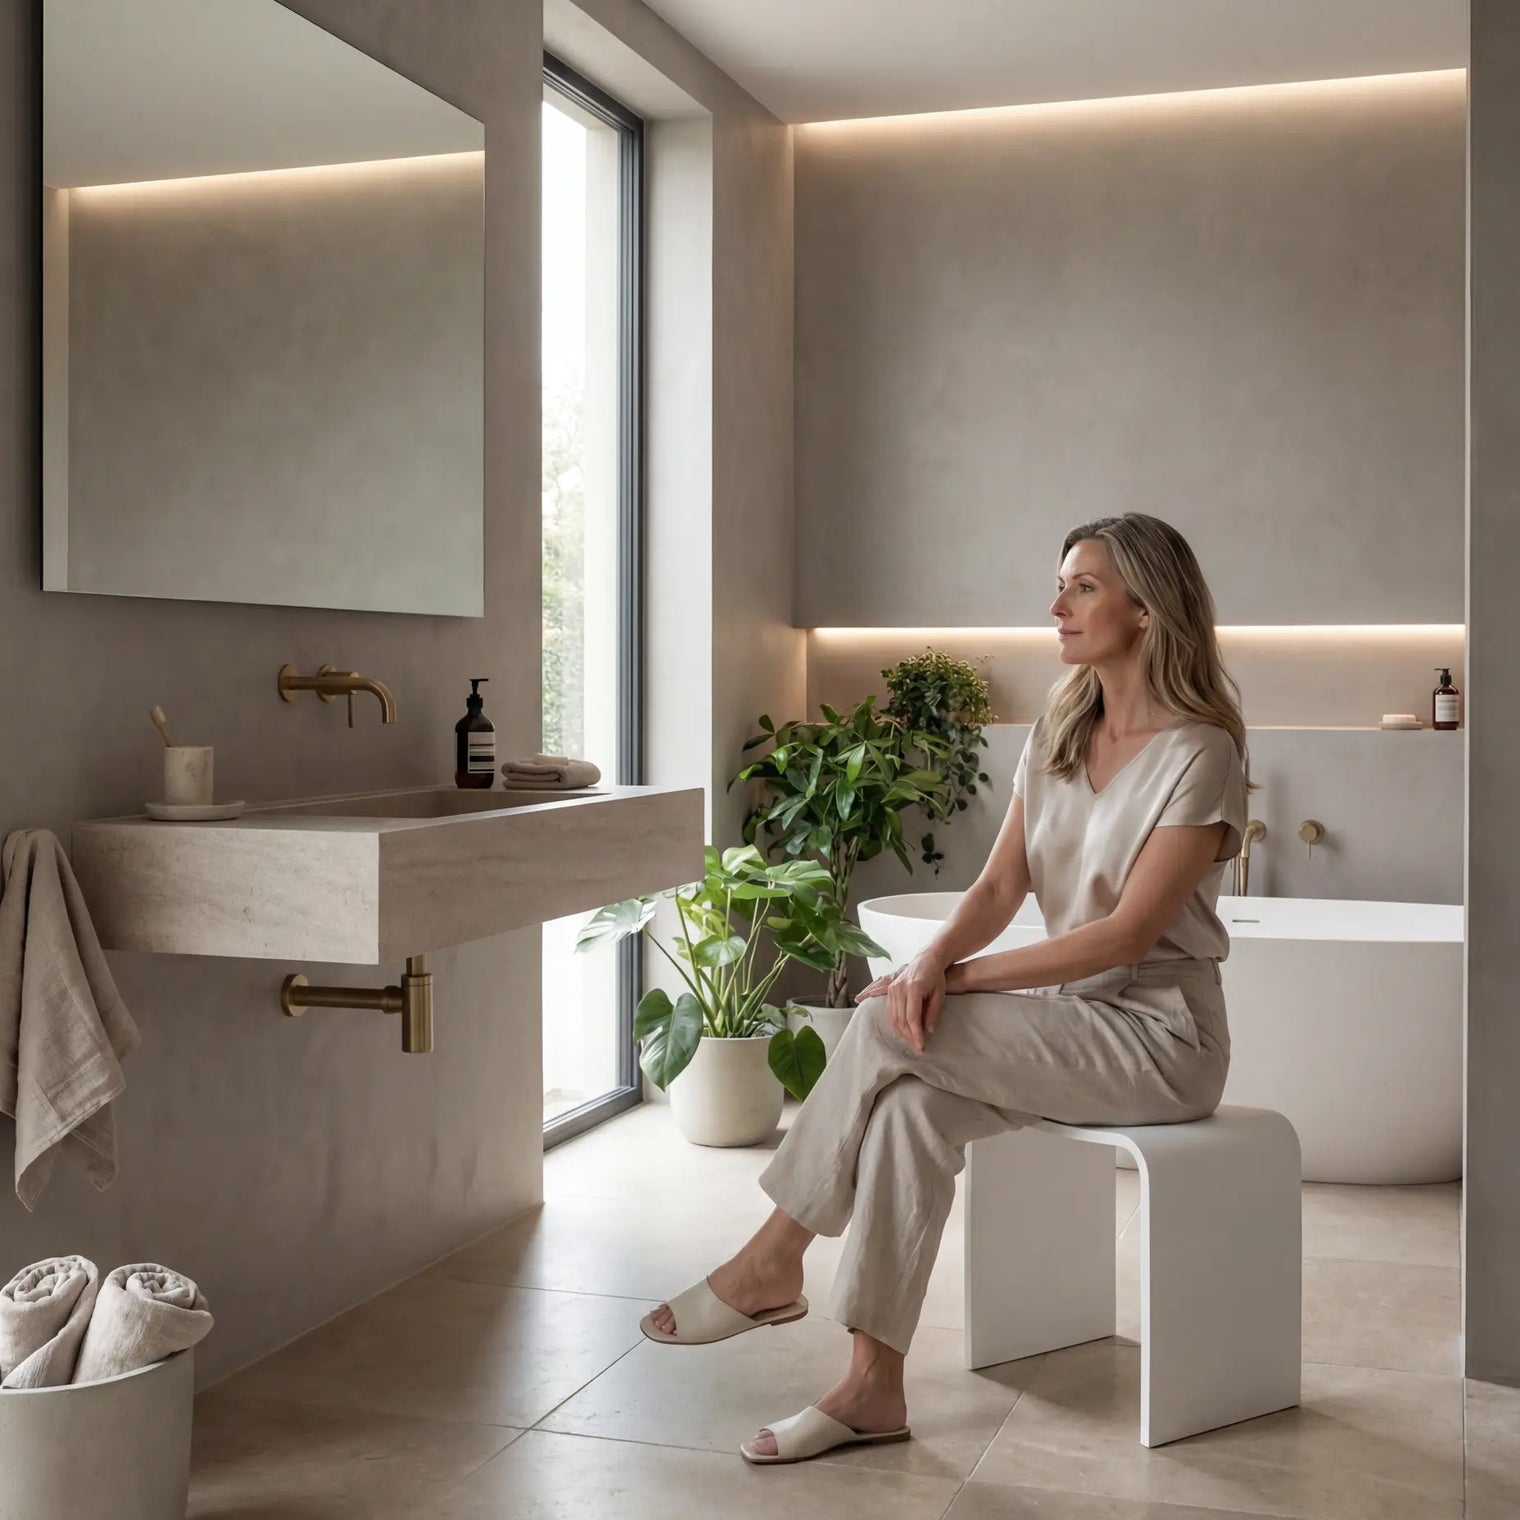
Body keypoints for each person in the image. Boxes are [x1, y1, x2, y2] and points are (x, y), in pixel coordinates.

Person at [642, 512, 1252, 1467]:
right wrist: (930, 961)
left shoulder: (1201, 749)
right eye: (1060, 583)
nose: (1057, 604)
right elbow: (1001, 887)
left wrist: (949, 976)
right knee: (908, 1113)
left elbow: (1126, 933)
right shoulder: (1061, 729)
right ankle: (871, 1388)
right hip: (1065, 1022)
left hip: (1158, 1040)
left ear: (1145, 608)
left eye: (1083, 586)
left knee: (882, 1029)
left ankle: (772, 1258)